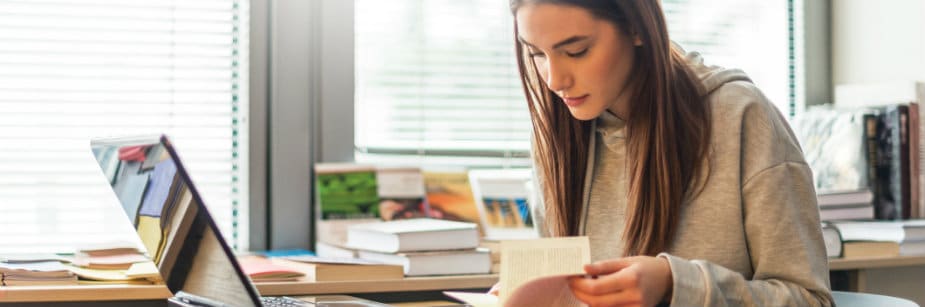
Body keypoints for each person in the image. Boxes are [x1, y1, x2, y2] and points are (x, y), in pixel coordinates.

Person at [504, 0, 834, 306]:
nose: (554, 80)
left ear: (636, 27)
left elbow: (809, 299)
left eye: (576, 51)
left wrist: (675, 285)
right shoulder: (555, 139)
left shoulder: (741, 116)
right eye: (536, 54)